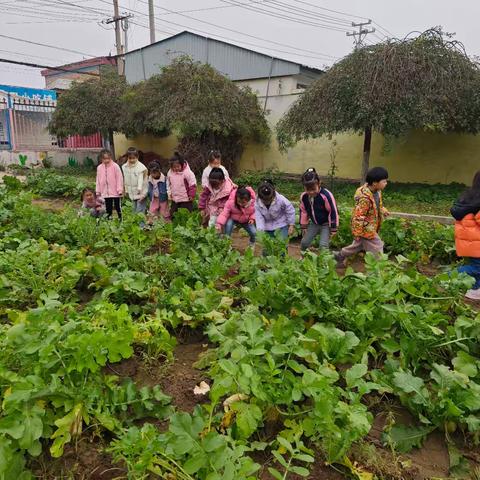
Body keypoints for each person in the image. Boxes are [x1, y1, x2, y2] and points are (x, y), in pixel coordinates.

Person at [335, 167, 389, 265]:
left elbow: (376, 205)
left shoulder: (377, 192)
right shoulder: (365, 199)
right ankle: (377, 269)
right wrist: (357, 233)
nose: (386, 183)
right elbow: (358, 216)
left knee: (356, 246)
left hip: (370, 227)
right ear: (375, 183)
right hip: (366, 229)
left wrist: (382, 209)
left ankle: (340, 255)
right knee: (378, 247)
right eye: (384, 181)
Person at [451, 171, 480, 300]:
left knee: (477, 268)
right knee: (476, 268)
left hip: (469, 241)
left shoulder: (470, 197)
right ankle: (446, 277)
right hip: (475, 242)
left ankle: (475, 291)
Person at [299, 168, 339, 252]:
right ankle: (304, 259)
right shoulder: (304, 197)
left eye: (313, 189)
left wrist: (333, 228)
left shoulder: (326, 195)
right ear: (304, 187)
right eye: (307, 189)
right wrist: (304, 226)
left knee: (323, 246)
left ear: (319, 183)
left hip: (326, 224)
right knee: (304, 243)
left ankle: (324, 264)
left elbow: (333, 211)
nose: (311, 192)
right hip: (314, 223)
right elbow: (303, 211)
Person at [96, 149, 123, 220]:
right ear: (101, 159)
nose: (106, 160)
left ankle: (121, 220)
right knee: (108, 207)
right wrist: (98, 191)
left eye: (108, 158)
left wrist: (119, 189)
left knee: (117, 206)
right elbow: (98, 180)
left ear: (110, 157)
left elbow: (119, 178)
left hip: (115, 191)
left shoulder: (115, 166)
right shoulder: (99, 168)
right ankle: (109, 221)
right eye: (104, 159)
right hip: (105, 192)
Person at [166, 152, 197, 217]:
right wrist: (169, 193)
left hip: (186, 199)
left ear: (182, 164)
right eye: (174, 167)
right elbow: (168, 184)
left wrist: (191, 195)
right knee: (173, 215)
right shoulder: (170, 173)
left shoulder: (187, 173)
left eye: (178, 166)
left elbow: (192, 184)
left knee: (185, 215)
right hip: (175, 198)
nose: (176, 168)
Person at [122, 147, 148, 214]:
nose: (132, 160)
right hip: (132, 193)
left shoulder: (141, 167)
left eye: (134, 158)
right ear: (127, 157)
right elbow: (125, 179)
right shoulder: (125, 167)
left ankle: (141, 225)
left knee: (140, 212)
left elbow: (141, 179)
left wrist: (140, 189)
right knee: (133, 211)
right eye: (130, 158)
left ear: (137, 157)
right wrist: (125, 190)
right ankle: (135, 224)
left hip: (141, 192)